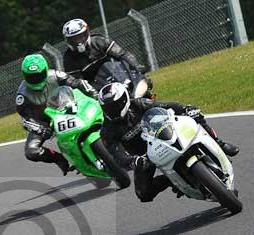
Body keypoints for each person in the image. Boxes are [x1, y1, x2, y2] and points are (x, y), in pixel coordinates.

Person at [97, 82, 240, 203]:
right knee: (143, 194)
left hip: (162, 135)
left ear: (124, 100)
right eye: (108, 107)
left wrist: (186, 108)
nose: (112, 110)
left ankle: (219, 143)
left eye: (115, 105)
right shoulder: (107, 131)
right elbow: (116, 155)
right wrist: (132, 161)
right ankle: (169, 179)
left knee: (195, 115)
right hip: (145, 157)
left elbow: (167, 106)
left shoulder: (139, 104)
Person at [16, 53, 96, 174]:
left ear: (46, 70)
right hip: (44, 122)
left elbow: (78, 83)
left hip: (67, 107)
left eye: (39, 75)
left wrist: (94, 94)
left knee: (98, 113)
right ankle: (58, 158)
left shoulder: (55, 75)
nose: (36, 80)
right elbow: (26, 120)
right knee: (31, 151)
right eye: (31, 77)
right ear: (24, 76)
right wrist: (40, 129)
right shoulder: (22, 95)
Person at [61, 18, 148, 84]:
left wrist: (136, 66)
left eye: (80, 36)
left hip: (117, 77)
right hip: (95, 88)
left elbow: (123, 54)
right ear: (68, 40)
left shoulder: (100, 41)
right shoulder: (68, 59)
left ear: (87, 33)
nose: (78, 41)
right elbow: (77, 82)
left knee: (144, 82)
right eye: (74, 39)